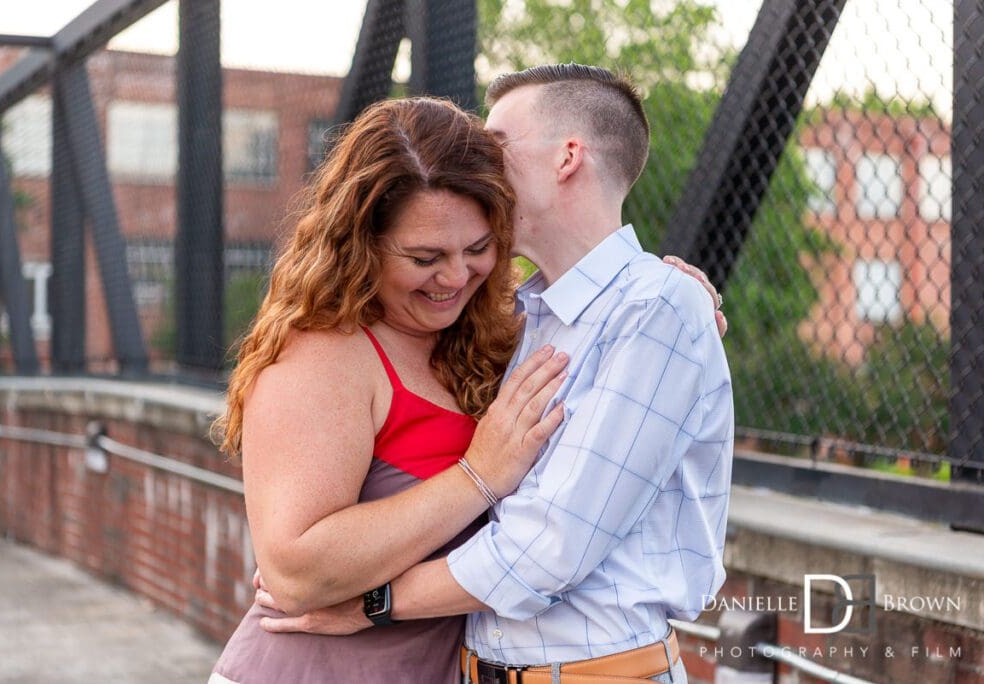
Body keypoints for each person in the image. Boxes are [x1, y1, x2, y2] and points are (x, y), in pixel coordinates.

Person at [258, 64, 734, 684]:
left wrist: (373, 602)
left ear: (567, 157)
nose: (479, 159)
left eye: (498, 143)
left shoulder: (656, 306)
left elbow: (547, 547)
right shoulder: (520, 314)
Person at [208, 96, 572, 683]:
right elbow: (294, 571)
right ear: (361, 243)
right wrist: (478, 476)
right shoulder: (326, 352)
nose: (455, 277)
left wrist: (673, 291)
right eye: (425, 257)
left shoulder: (491, 330)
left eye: (478, 249)